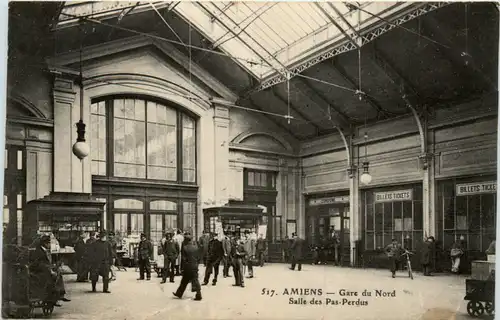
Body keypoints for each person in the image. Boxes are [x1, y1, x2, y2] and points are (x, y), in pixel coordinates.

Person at [29, 235, 71, 305]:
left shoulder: (40, 250)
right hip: (39, 273)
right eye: (49, 243)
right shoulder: (39, 252)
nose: (50, 245)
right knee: (55, 276)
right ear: (45, 244)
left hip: (42, 270)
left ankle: (60, 294)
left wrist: (52, 267)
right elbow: (38, 264)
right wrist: (50, 270)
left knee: (58, 273)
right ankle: (56, 297)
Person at [173, 233, 202, 301]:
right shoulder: (195, 247)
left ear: (186, 240)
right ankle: (198, 294)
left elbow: (184, 259)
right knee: (195, 280)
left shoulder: (185, 248)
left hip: (187, 267)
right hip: (194, 266)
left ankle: (179, 293)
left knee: (184, 281)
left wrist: (182, 268)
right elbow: (198, 257)